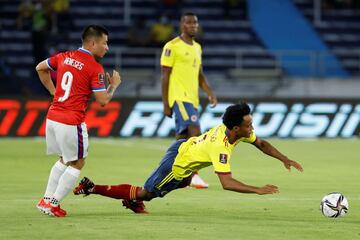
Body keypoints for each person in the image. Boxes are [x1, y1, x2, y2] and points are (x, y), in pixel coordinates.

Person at [73, 102, 304, 214]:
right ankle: (92, 188)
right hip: (177, 164)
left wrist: (285, 158)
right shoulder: (220, 147)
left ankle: (132, 199)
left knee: (183, 182)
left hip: (184, 148)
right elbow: (227, 183)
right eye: (248, 124)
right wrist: (257, 189)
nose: (252, 127)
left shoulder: (238, 132)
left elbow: (261, 144)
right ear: (235, 128)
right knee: (148, 192)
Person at [35, 25, 122, 217]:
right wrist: (113, 86)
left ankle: (46, 200)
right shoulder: (94, 67)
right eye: (105, 43)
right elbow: (102, 101)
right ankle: (54, 204)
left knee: (64, 159)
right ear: (93, 43)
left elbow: (40, 68)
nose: (107, 48)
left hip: (53, 116)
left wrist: (53, 91)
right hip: (71, 120)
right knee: (78, 162)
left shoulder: (64, 56)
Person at [161, 12, 218, 188]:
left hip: (192, 99)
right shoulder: (172, 46)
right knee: (195, 131)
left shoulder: (197, 47)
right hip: (179, 97)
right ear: (182, 25)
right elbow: (165, 76)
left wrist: (210, 92)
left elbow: (199, 75)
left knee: (182, 137)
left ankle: (175, 174)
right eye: (189, 22)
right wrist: (165, 103)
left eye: (195, 23)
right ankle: (193, 175)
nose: (193, 25)